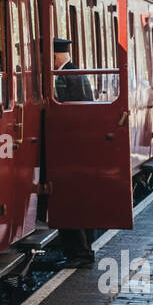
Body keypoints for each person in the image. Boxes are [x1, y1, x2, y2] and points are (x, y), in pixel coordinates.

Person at [52, 36, 95, 266]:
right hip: (78, 146)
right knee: (77, 202)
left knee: (70, 202)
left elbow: (68, 110)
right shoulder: (74, 71)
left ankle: (81, 253)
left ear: (55, 56)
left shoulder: (66, 75)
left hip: (71, 146)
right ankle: (81, 251)